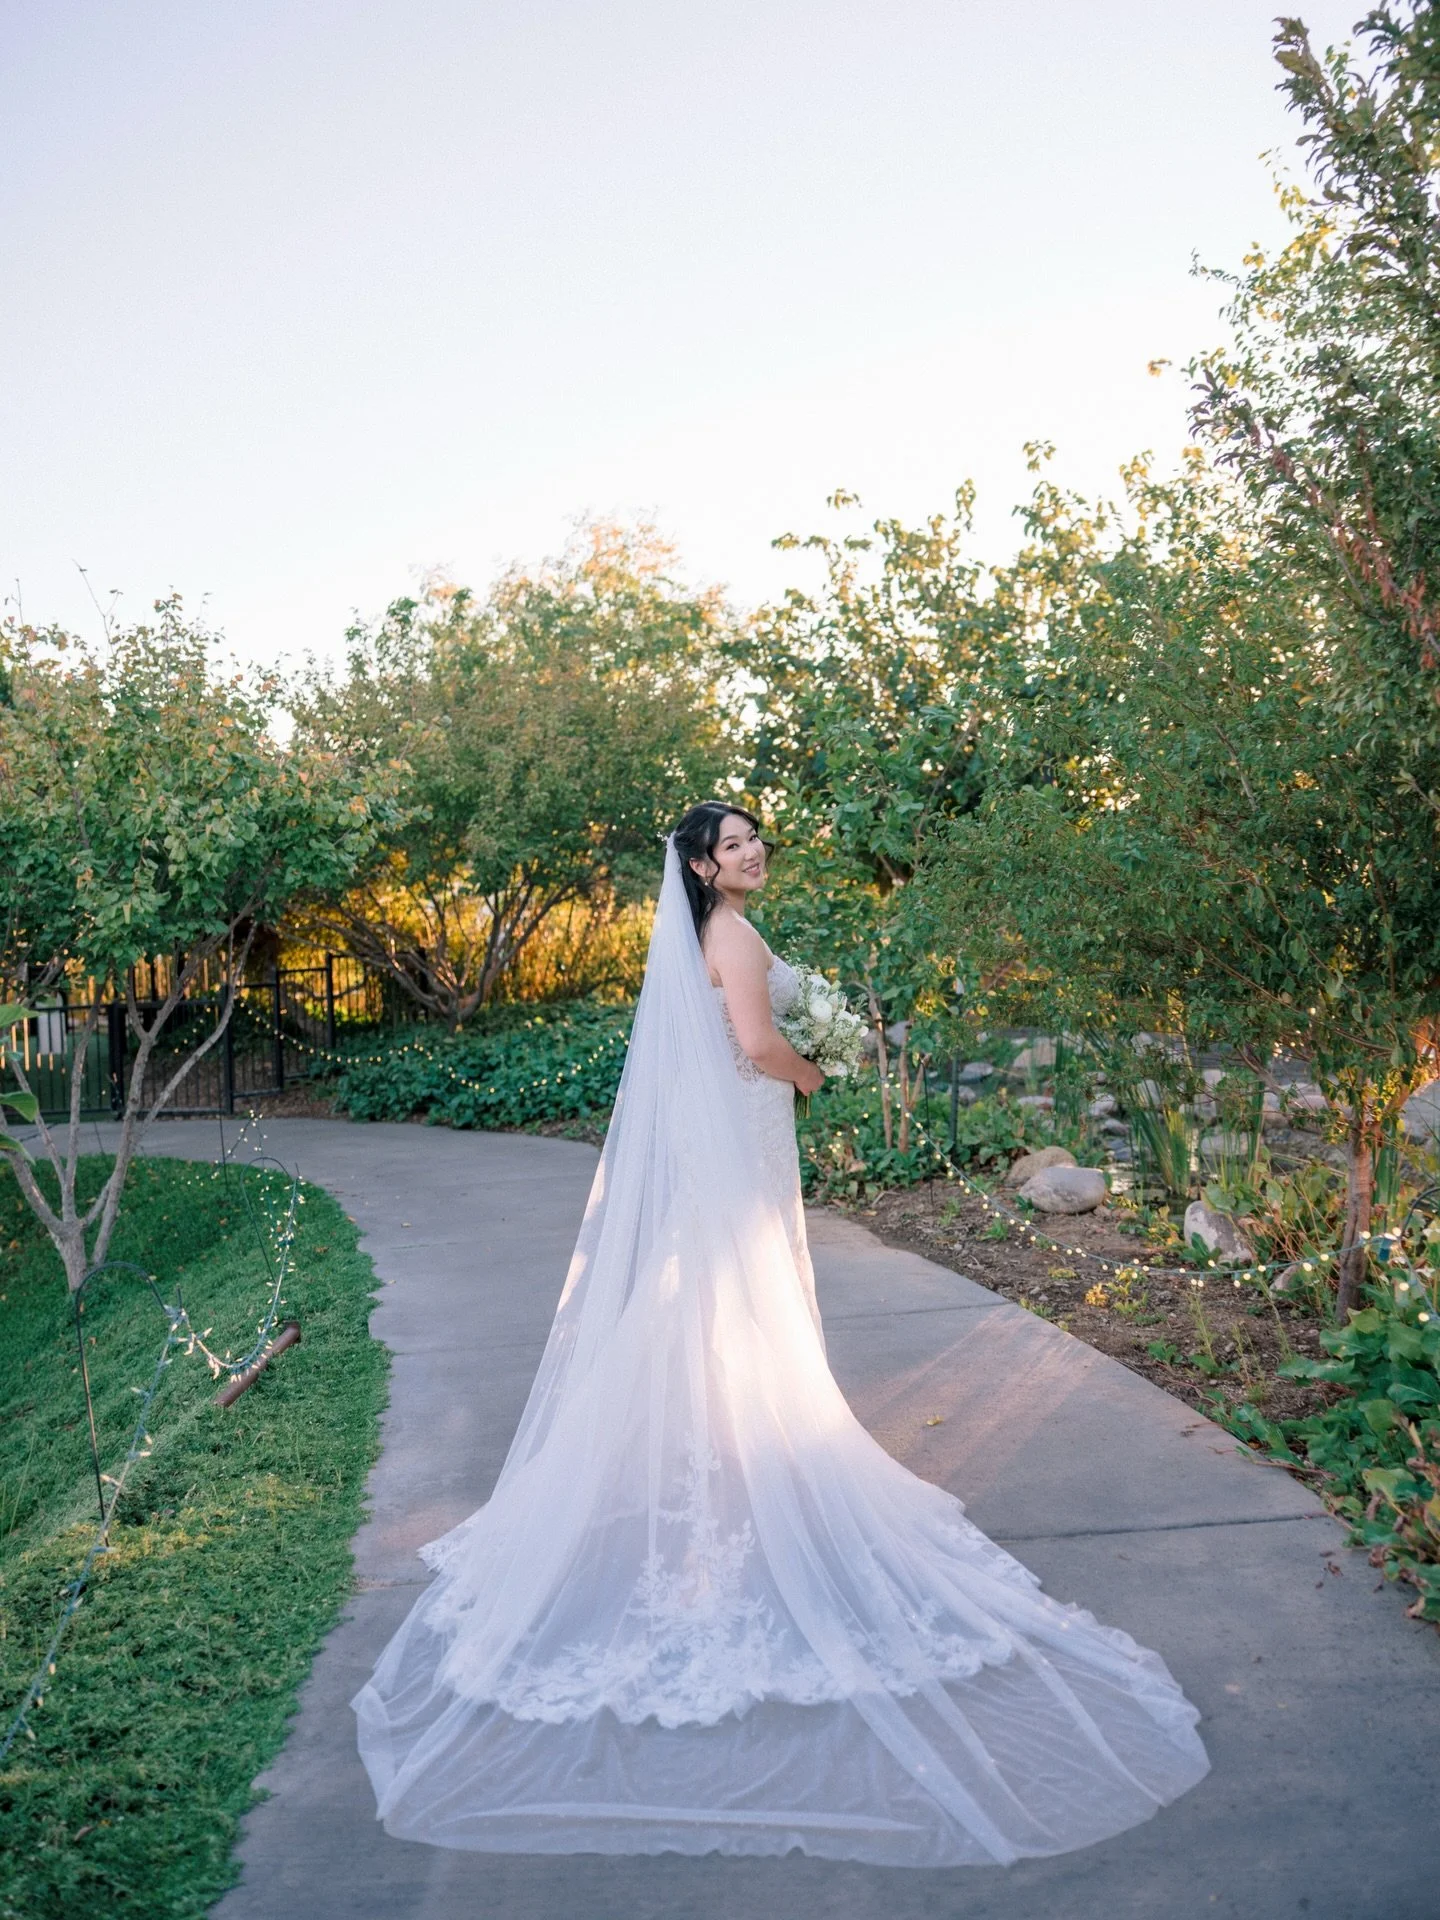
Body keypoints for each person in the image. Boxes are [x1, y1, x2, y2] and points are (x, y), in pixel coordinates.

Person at [352, 802, 1209, 1866]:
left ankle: (704, 1443)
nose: (753, 851)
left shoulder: (710, 935)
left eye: (756, 837)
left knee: (712, 1298)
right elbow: (758, 1046)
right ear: (700, 867)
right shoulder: (733, 935)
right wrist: (817, 1071)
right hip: (748, 1133)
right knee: (739, 1297)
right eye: (733, 844)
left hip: (735, 1141)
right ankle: (738, 1457)